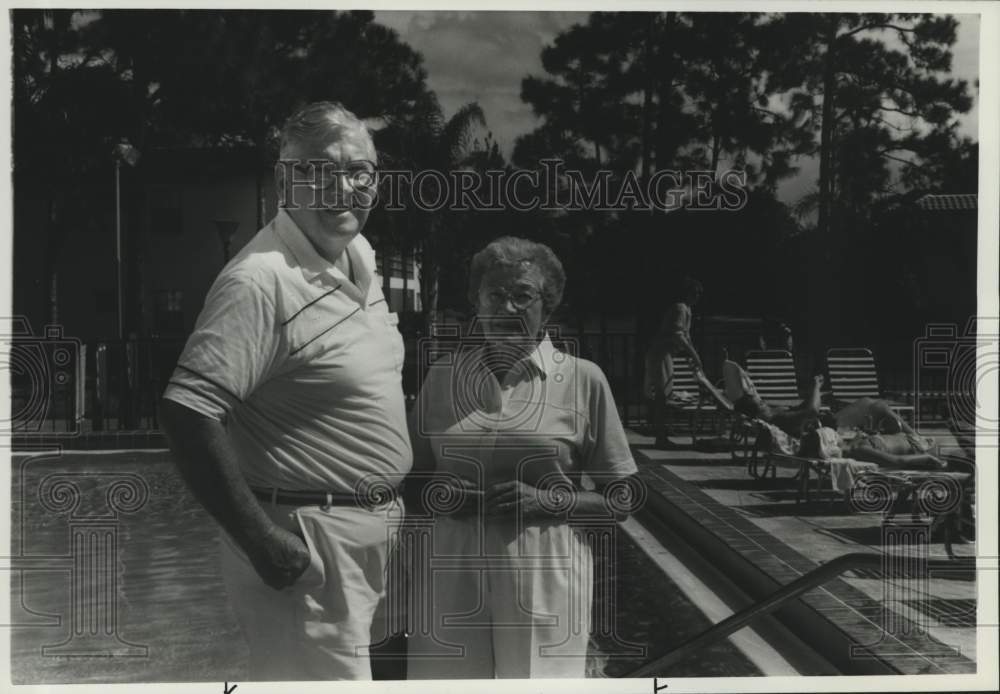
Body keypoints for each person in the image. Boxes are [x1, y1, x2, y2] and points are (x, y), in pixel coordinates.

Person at [159, 101, 411, 681]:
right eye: (321, 170)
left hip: (366, 541)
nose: (344, 187)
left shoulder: (359, 257)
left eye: (360, 172)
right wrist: (261, 541)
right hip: (308, 549)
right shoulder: (260, 281)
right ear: (284, 180)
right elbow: (187, 414)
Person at [404, 237, 640, 678]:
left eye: (523, 295)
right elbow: (412, 483)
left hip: (545, 566)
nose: (507, 308)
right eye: (495, 294)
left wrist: (548, 501)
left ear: (547, 308)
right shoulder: (443, 376)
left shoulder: (582, 380)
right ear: (476, 302)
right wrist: (438, 493)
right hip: (450, 564)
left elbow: (622, 501)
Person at [725, 365, 944, 470]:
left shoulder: (771, 414)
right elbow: (810, 411)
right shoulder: (774, 417)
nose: (760, 396)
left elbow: (803, 412)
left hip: (827, 431)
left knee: (875, 407)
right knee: (874, 405)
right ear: (753, 406)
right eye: (757, 398)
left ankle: (916, 441)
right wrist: (816, 386)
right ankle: (917, 440)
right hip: (829, 430)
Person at [643, 276, 731, 448]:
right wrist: (695, 355)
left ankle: (662, 436)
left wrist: (694, 356)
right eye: (696, 293)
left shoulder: (686, 309)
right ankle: (660, 438)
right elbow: (678, 335)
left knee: (665, 395)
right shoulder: (680, 308)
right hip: (660, 354)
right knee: (662, 397)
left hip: (665, 354)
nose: (698, 297)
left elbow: (686, 337)